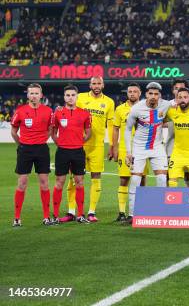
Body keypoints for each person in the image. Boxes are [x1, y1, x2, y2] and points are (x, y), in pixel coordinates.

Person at [63, 77, 114, 223]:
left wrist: (112, 145)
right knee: (73, 178)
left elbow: (110, 126)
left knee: (96, 177)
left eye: (99, 83)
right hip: (78, 145)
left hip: (97, 146)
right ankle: (71, 211)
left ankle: (91, 211)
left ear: (103, 85)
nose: (96, 86)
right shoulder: (80, 98)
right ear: (90, 85)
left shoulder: (109, 102)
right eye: (94, 83)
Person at [124, 82, 173, 224]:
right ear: (146, 94)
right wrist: (129, 152)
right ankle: (132, 215)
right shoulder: (137, 108)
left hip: (157, 147)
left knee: (162, 179)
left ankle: (161, 213)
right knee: (135, 180)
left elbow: (182, 101)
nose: (153, 97)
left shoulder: (165, 105)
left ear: (160, 96)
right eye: (150, 94)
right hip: (139, 148)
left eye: (156, 94)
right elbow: (127, 129)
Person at [10, 83, 54, 227]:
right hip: (25, 150)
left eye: (36, 93)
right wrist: (22, 144)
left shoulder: (48, 111)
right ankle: (17, 218)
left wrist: (41, 140)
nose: (34, 96)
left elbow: (50, 129)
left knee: (44, 183)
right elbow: (13, 131)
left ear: (41, 95)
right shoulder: (21, 111)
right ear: (28, 95)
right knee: (22, 183)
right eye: (31, 93)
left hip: (41, 149)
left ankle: (46, 217)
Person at [51, 85, 92, 224]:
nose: (70, 97)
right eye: (67, 95)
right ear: (64, 97)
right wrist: (61, 143)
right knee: (59, 183)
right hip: (62, 151)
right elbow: (53, 132)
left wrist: (79, 142)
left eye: (73, 95)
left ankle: (80, 215)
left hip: (78, 151)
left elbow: (88, 133)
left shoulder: (85, 113)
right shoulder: (57, 113)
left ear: (77, 96)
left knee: (79, 182)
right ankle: (55, 216)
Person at [110, 83, 146, 222]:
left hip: (142, 149)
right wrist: (114, 147)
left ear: (140, 93)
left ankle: (140, 210)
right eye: (130, 91)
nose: (132, 94)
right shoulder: (119, 109)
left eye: (135, 91)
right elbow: (115, 129)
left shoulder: (146, 108)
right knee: (124, 179)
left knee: (142, 179)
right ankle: (121, 212)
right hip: (125, 149)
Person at [168, 79, 189, 187]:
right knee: (170, 175)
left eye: (182, 88)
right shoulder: (167, 105)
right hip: (171, 146)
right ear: (173, 91)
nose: (179, 91)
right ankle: (169, 200)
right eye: (176, 88)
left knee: (188, 176)